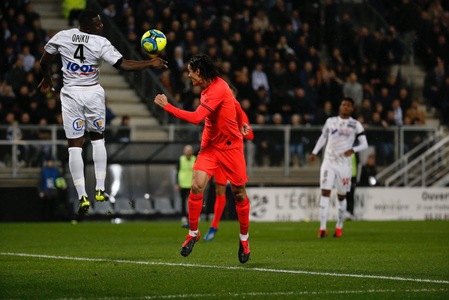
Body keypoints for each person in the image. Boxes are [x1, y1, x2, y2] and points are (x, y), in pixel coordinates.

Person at [38, 9, 167, 215]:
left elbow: (44, 61)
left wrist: (47, 77)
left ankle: (82, 196)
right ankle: (100, 188)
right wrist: (151, 63)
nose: (102, 26)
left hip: (70, 95)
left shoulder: (62, 36)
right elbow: (125, 65)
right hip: (93, 94)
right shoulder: (100, 43)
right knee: (98, 140)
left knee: (74, 147)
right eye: (98, 24)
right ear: (88, 27)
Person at [154, 54, 251, 263]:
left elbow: (197, 118)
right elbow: (236, 106)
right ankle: (193, 233)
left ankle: (244, 239)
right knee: (197, 186)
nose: (188, 75)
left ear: (198, 72)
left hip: (231, 147)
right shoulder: (211, 88)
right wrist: (242, 120)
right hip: (210, 148)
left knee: (239, 193)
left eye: (190, 71)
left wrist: (167, 106)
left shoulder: (217, 89)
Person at [309, 97, 368, 238]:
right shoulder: (331, 121)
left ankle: (339, 226)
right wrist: (314, 152)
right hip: (329, 162)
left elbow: (364, 144)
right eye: (343, 104)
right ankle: (322, 228)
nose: (345, 107)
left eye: (348, 105)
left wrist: (353, 150)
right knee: (325, 193)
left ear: (352, 108)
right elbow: (323, 137)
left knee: (341, 196)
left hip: (344, 165)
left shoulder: (356, 125)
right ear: (340, 107)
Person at [203, 104, 254, 242]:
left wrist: (239, 129)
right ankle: (213, 226)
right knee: (219, 190)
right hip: (218, 155)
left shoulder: (239, 112)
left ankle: (244, 234)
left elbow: (250, 134)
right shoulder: (216, 111)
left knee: (239, 193)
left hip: (233, 157)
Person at [176, 144, 196, 228]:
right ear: (184, 151)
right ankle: (184, 216)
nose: (188, 152)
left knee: (192, 201)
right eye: (187, 150)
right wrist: (177, 183)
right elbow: (177, 172)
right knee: (183, 201)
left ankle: (192, 217)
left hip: (192, 184)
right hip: (183, 183)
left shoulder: (195, 159)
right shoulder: (180, 159)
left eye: (189, 150)